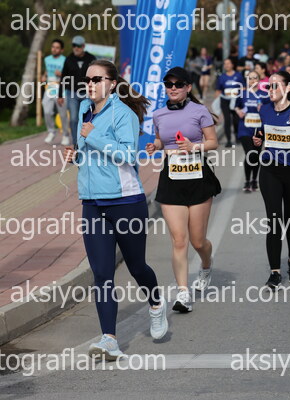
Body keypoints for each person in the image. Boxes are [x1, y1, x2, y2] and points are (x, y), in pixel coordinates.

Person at [63, 60, 168, 359]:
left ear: (111, 83)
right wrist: (76, 156)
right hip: (92, 203)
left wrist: (93, 135)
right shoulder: (85, 110)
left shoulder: (123, 114)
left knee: (137, 267)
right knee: (102, 274)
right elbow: (90, 155)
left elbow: (127, 155)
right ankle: (109, 339)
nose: (90, 84)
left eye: (96, 79)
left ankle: (156, 303)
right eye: (87, 80)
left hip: (125, 202)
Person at [146, 67, 221, 313]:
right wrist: (155, 145)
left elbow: (213, 142)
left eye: (178, 84)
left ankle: (206, 264)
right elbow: (162, 140)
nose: (173, 88)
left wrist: (194, 147)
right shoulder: (158, 114)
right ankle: (183, 293)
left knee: (198, 241)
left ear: (188, 87)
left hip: (198, 180)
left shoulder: (199, 111)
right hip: (172, 179)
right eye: (169, 84)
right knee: (179, 240)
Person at [252, 71, 290, 289]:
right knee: (274, 220)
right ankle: (275, 272)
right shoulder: (265, 109)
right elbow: (263, 134)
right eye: (268, 86)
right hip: (270, 170)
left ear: (288, 88)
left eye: (275, 86)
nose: (270, 90)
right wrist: (258, 140)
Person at [58, 35, 96, 146]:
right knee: (74, 118)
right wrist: (60, 95)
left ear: (83, 46)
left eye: (78, 46)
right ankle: (77, 143)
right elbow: (63, 77)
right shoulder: (69, 59)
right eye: (74, 45)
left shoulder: (91, 58)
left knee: (88, 118)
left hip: (87, 93)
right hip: (72, 93)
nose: (76, 48)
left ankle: (89, 141)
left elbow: (96, 75)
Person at [234, 71, 269, 192]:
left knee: (256, 154)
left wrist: (263, 110)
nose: (253, 80)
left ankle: (254, 180)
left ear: (259, 80)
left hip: (259, 130)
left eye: (255, 78)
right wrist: (238, 111)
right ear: (247, 81)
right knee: (250, 154)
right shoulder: (242, 94)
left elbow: (270, 110)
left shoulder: (264, 95)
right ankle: (247, 180)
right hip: (245, 129)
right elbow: (236, 106)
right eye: (250, 78)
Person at [42, 39, 70, 145]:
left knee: (62, 114)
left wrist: (61, 74)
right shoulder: (47, 59)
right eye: (53, 47)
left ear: (61, 50)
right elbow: (47, 70)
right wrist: (44, 76)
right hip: (49, 87)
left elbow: (69, 75)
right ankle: (51, 131)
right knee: (47, 111)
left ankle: (65, 135)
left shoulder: (65, 60)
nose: (54, 49)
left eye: (57, 48)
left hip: (61, 88)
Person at [215, 58, 245, 147]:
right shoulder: (222, 77)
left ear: (232, 65)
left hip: (236, 101)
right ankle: (228, 140)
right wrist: (216, 103)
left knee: (236, 120)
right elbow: (218, 90)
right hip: (225, 101)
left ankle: (237, 137)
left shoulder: (238, 75)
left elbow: (243, 88)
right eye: (225, 64)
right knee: (227, 120)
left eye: (228, 63)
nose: (226, 65)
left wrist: (243, 99)